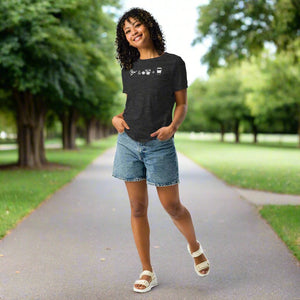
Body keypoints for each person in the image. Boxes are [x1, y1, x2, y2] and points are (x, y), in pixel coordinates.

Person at [112, 8, 210, 293]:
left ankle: (194, 246)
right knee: (138, 208)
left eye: (136, 26)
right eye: (127, 32)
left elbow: (182, 104)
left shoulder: (174, 64)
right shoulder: (128, 69)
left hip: (160, 144)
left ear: (148, 26)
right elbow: (134, 106)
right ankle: (147, 270)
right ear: (126, 40)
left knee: (172, 206)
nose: (133, 33)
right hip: (129, 144)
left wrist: (173, 128)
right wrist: (115, 118)